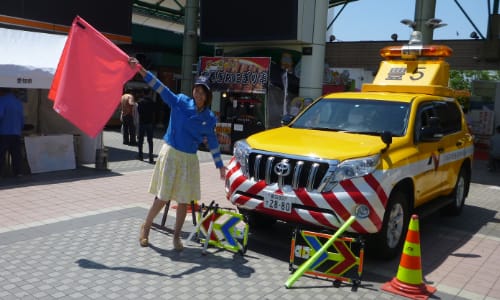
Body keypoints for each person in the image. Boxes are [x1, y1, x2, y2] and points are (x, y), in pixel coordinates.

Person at [128, 57, 225, 251]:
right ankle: (145, 227)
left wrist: (220, 165)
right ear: (193, 91)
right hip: (172, 153)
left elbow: (212, 141)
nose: (198, 93)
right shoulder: (180, 101)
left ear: (207, 96)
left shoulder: (209, 117)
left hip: (189, 159)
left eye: (202, 92)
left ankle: (176, 237)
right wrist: (141, 70)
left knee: (183, 200)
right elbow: (161, 87)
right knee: (163, 196)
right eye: (197, 90)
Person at [0, 88, 24, 177]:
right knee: (16, 155)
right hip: (16, 133)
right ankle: (18, 173)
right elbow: (22, 120)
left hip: (3, 133)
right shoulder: (18, 102)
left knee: (1, 155)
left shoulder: (2, 100)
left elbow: (0, 115)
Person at [136, 88, 156, 163]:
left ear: (143, 93)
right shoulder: (152, 102)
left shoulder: (140, 102)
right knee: (150, 141)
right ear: (149, 93)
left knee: (140, 140)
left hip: (142, 123)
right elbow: (154, 112)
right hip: (150, 123)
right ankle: (151, 157)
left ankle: (140, 156)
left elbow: (139, 111)